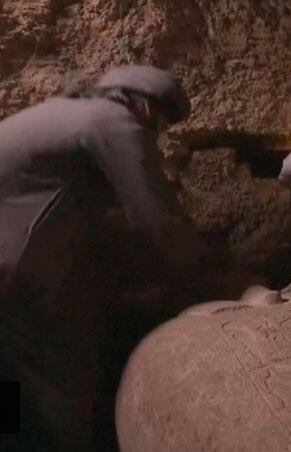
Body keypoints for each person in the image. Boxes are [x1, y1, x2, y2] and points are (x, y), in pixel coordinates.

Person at [0, 65, 205, 451]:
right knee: (61, 382)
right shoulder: (113, 122)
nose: (156, 136)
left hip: (12, 271)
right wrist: (202, 279)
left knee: (14, 381)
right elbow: (156, 216)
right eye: (160, 125)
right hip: (16, 278)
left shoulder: (61, 112)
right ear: (146, 108)